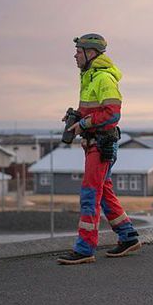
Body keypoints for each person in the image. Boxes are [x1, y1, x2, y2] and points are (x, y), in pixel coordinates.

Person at [57, 34, 141, 264]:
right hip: (94, 143)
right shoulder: (89, 76)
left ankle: (84, 250)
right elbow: (97, 110)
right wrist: (77, 115)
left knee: (90, 194)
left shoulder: (103, 78)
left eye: (79, 50)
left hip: (101, 145)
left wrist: (83, 124)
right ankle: (129, 237)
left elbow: (112, 113)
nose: (75, 55)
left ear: (91, 53)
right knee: (103, 193)